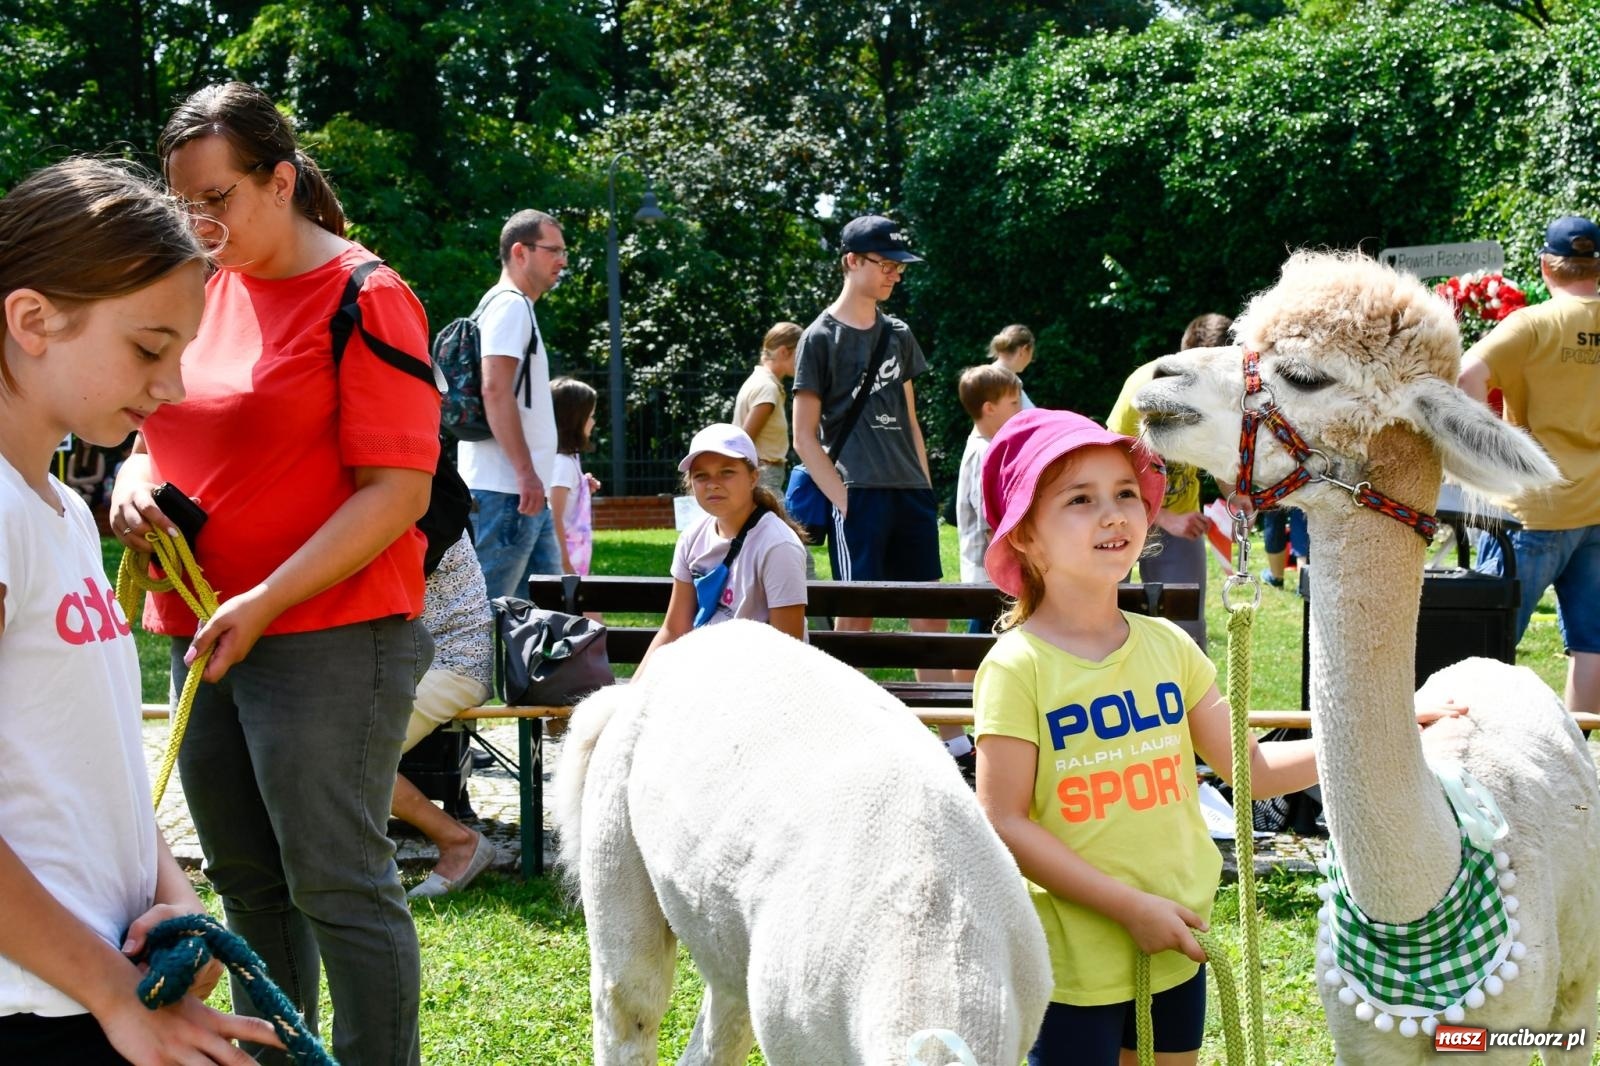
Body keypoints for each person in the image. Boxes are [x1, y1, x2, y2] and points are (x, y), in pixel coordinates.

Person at [113, 81, 439, 1065]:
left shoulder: (364, 293)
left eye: (214, 198)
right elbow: (151, 418)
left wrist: (264, 599)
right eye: (182, 202)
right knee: (246, 883)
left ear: (281, 180)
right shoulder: (193, 287)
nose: (196, 222)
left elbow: (398, 491)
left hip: (329, 635)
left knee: (336, 882)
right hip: (204, 630)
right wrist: (134, 478)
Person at [0, 158, 281, 1064]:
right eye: (149, 347)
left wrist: (179, 899)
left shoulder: (63, 514)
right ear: (32, 320)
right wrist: (114, 997)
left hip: (93, 988)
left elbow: (95, 764)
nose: (170, 385)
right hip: (39, 1004)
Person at [972, 408, 1322, 1066]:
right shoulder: (1018, 667)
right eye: (1080, 499)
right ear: (1025, 537)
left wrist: (1377, 741)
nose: (1113, 514)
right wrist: (1129, 907)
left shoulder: (1168, 647)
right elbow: (1005, 821)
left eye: (1125, 493)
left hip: (1175, 939)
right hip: (1074, 963)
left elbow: (1250, 770)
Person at [791, 216, 970, 774]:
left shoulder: (899, 333)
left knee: (929, 617)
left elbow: (911, 419)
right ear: (851, 261)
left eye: (897, 265)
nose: (894, 273)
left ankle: (954, 741)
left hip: (909, 493)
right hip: (859, 494)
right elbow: (803, 436)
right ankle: (842, 737)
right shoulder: (819, 337)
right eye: (884, 263)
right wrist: (842, 498)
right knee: (856, 617)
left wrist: (923, 484)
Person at [1460, 214, 1600, 724]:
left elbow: (1466, 374)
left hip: (1532, 511)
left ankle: (1479, 754)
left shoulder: (1533, 323)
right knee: (1593, 646)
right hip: (1597, 509)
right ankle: (1580, 763)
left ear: (1545, 266)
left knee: (1485, 644)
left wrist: (1492, 451)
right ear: (1597, 267)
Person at [636, 424, 807, 676]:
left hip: (758, 679)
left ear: (753, 478)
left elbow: (787, 649)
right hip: (703, 673)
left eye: (726, 472)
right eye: (701, 476)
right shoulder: (692, 538)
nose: (712, 484)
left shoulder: (778, 545)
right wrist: (631, 695)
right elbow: (674, 629)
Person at [1107, 312, 1233, 650]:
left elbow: (1220, 457)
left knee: (1186, 626)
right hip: (1119, 520)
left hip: (1181, 522)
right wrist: (1164, 517)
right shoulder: (1144, 387)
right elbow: (1109, 471)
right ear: (1187, 359)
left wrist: (1238, 500)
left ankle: (1187, 701)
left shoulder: (1217, 394)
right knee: (1107, 620)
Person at [457, 209, 566, 598]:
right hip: (507, 491)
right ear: (520, 252)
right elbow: (495, 389)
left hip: (515, 491)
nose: (562, 261)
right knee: (485, 614)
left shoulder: (505, 305)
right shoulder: (510, 305)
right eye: (553, 250)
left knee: (547, 613)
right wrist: (525, 474)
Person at [391, 533, 498, 899]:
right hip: (414, 662)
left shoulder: (422, 510)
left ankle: (459, 842)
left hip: (453, 664)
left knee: (348, 759)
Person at [733, 321, 802, 499]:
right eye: (800, 353)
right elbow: (745, 439)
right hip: (764, 474)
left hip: (762, 473)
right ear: (784, 352)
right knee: (780, 526)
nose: (804, 360)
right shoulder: (767, 388)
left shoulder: (760, 381)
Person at [549, 376, 600, 577]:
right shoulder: (562, 464)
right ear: (574, 420)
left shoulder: (570, 460)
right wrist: (564, 564)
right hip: (567, 559)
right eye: (590, 415)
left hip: (576, 555)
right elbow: (554, 517)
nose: (593, 422)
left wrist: (582, 485)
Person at [989, 324, 1038, 409]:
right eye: (1032, 354)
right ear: (1023, 350)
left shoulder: (984, 376)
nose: (1031, 360)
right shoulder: (1010, 382)